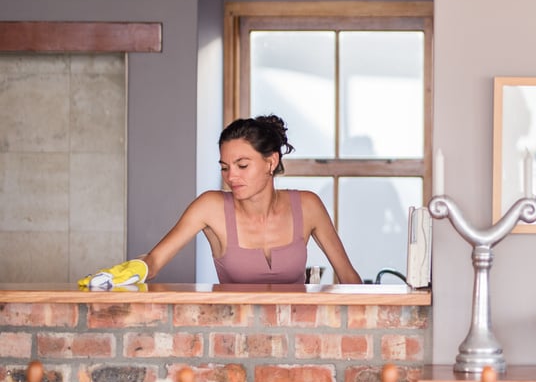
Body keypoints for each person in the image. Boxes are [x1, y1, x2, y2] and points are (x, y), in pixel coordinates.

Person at [79, 115, 362, 287]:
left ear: (271, 162)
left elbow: (348, 278)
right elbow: (153, 261)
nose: (231, 176)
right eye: (225, 167)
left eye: (242, 165)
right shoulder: (210, 207)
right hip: (230, 339)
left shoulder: (308, 206)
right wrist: (126, 273)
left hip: (297, 339)